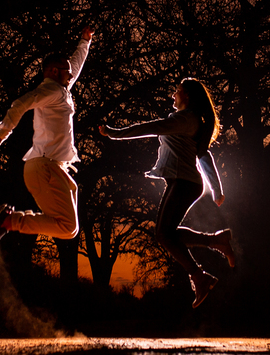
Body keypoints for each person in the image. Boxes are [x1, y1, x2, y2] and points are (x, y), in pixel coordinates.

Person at [99, 77, 235, 308]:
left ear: (187, 96)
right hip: (182, 182)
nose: (173, 94)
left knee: (163, 234)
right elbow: (204, 155)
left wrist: (115, 133)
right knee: (166, 233)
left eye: (178, 91)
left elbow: (152, 128)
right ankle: (216, 242)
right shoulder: (191, 121)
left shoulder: (186, 119)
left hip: (184, 182)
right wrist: (216, 189)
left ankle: (200, 275)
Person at [0, 24, 94, 250]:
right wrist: (2, 132)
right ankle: (9, 221)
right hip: (44, 168)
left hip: (52, 168)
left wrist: (84, 42)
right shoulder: (51, 91)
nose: (71, 74)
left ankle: (11, 218)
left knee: (71, 219)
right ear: (54, 72)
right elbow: (21, 103)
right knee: (66, 228)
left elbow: (75, 65)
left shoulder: (61, 90)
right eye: (66, 72)